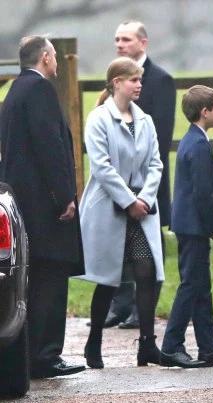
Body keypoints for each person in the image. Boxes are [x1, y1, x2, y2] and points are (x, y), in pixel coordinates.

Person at [0, 35, 85, 378]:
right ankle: (46, 355)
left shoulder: (13, 92)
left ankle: (32, 353)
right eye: (54, 57)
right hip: (45, 207)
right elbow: (50, 145)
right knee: (50, 276)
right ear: (48, 58)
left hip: (23, 202)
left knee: (31, 279)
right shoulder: (39, 91)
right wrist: (64, 195)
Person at [77, 57, 164, 368]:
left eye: (140, 79)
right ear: (116, 82)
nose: (139, 84)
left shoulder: (146, 121)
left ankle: (147, 345)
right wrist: (128, 201)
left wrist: (144, 199)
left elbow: (155, 164)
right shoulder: (98, 119)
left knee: (146, 271)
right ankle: (94, 341)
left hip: (141, 210)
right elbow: (101, 167)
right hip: (110, 209)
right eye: (133, 79)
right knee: (109, 280)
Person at [160, 86, 213, 368]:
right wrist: (212, 226)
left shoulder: (193, 140)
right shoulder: (198, 145)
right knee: (191, 285)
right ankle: (172, 345)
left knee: (201, 286)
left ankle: (209, 348)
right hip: (194, 225)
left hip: (189, 224)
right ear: (204, 112)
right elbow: (202, 194)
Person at [103, 20, 176, 330]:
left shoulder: (161, 81)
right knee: (117, 241)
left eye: (127, 39)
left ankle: (141, 306)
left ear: (143, 43)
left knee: (147, 244)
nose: (120, 44)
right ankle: (119, 304)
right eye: (117, 39)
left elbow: (161, 135)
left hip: (147, 180)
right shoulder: (115, 80)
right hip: (118, 181)